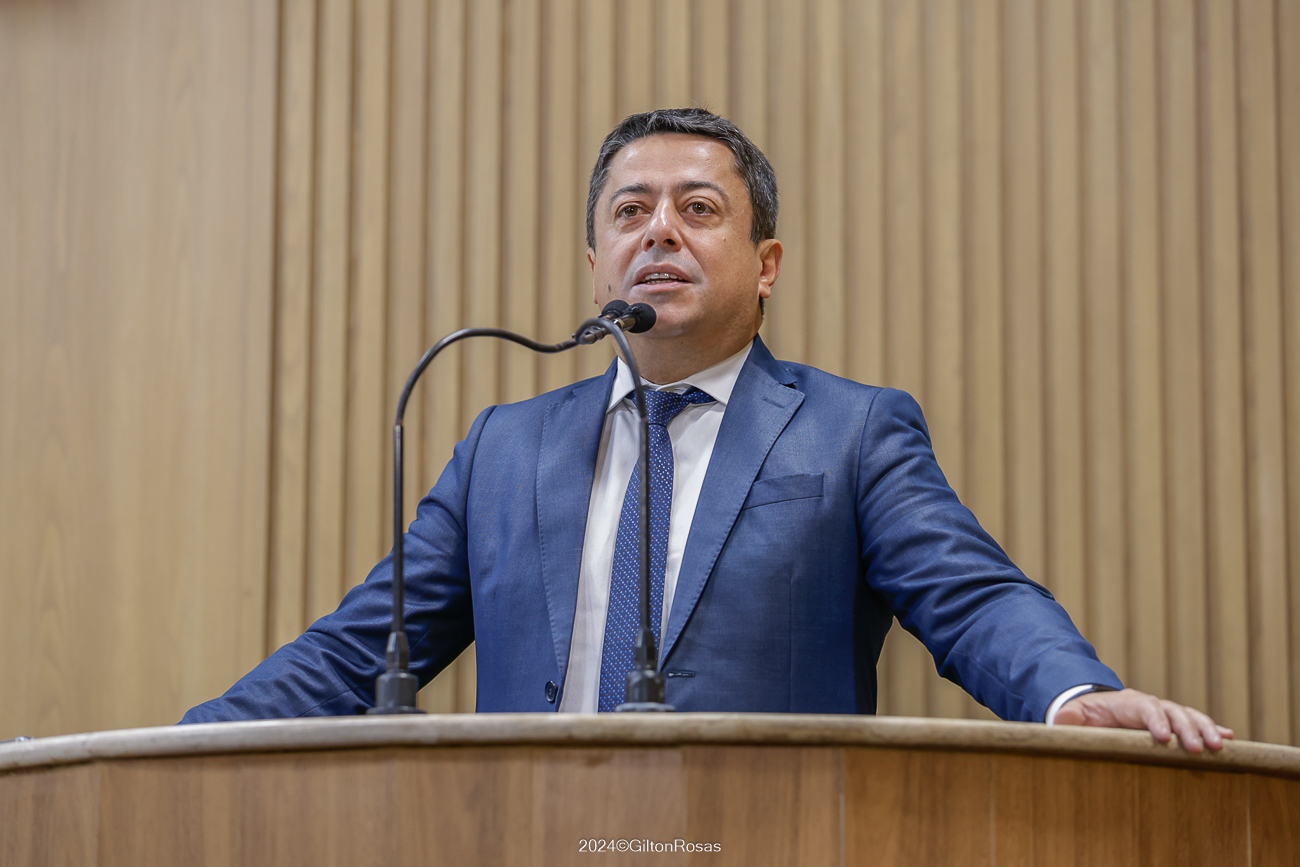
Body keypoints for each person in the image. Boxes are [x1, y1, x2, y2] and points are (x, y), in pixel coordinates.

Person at [182, 108, 1231, 753]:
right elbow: (358, 652)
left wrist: (1068, 691)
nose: (658, 233)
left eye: (697, 209)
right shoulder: (502, 447)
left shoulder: (852, 433)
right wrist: (171, 747)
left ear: (766, 265)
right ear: (595, 265)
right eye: (629, 212)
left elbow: (973, 597)